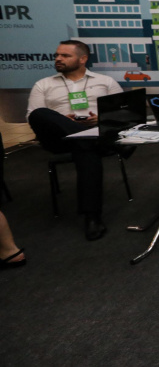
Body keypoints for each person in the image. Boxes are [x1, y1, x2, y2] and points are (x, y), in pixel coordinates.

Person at [27, 39, 124, 241]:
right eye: (57, 55)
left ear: (83, 59)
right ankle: (98, 142)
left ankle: (92, 217)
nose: (58, 59)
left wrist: (103, 118)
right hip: (59, 138)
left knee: (86, 150)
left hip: (94, 133)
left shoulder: (105, 82)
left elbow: (124, 114)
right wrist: (62, 121)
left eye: (65, 55)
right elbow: (32, 118)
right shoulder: (43, 84)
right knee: (40, 113)